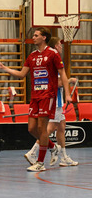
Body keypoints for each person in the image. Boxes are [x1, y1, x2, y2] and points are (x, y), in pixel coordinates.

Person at [0, 27, 71, 172]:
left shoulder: (53, 54)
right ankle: (52, 147)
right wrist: (4, 68)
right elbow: (21, 74)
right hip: (35, 96)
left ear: (44, 37)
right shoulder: (32, 56)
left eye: (36, 35)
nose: (34, 37)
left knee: (42, 128)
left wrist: (67, 94)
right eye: (34, 35)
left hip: (47, 95)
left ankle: (40, 163)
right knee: (31, 128)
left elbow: (63, 75)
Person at [23, 37, 78, 167]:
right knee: (47, 129)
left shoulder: (54, 57)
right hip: (53, 102)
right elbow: (56, 82)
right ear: (54, 46)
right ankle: (33, 152)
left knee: (61, 128)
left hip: (57, 102)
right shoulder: (50, 57)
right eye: (59, 44)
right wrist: (69, 81)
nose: (61, 46)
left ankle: (63, 157)